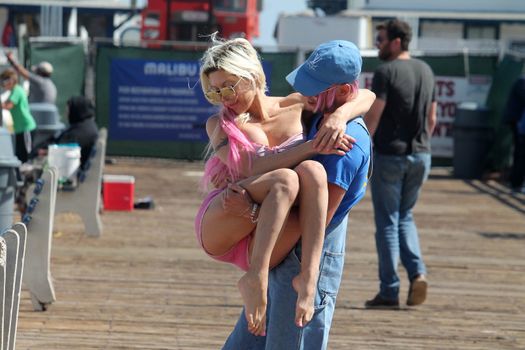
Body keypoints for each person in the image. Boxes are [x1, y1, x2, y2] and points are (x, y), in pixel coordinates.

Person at [196, 36, 374, 337]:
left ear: (252, 75)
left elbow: (365, 94)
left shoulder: (297, 104)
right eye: (214, 92)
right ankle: (256, 277)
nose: (223, 97)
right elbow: (252, 168)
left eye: (229, 85)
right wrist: (312, 146)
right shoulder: (220, 125)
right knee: (287, 177)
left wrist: (339, 117)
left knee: (312, 171)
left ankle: (307, 276)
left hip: (266, 225)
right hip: (227, 217)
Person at [363, 19, 437, 309]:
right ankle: (418, 273)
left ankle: (389, 290)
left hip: (390, 156)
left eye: (381, 38)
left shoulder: (385, 72)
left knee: (387, 223)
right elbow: (432, 120)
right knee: (404, 216)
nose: (378, 43)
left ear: (396, 41)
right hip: (422, 155)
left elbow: (374, 117)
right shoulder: (426, 71)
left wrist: (359, 148)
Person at [1, 68, 37, 163]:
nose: (3, 84)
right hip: (19, 129)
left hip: (26, 128)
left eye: (4, 81)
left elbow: (8, 106)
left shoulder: (17, 90)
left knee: (26, 155)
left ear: (11, 80)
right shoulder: (13, 91)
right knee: (20, 155)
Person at [503, 75, 525, 194]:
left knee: (518, 153)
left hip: (517, 123)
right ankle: (516, 182)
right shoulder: (522, 82)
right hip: (517, 122)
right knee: (520, 154)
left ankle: (515, 181)